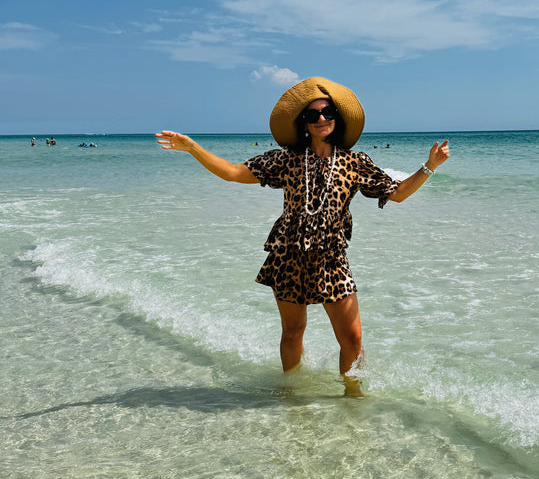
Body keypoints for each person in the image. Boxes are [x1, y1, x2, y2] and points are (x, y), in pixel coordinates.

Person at [156, 77, 449, 390]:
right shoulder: (286, 159)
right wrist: (191, 148)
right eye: (312, 115)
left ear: (337, 117)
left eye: (327, 112)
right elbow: (232, 172)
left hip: (332, 257)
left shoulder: (354, 162)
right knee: (293, 332)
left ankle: (353, 397)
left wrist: (429, 166)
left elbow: (398, 193)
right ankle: (293, 395)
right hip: (289, 254)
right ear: (304, 124)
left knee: (352, 337)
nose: (321, 118)